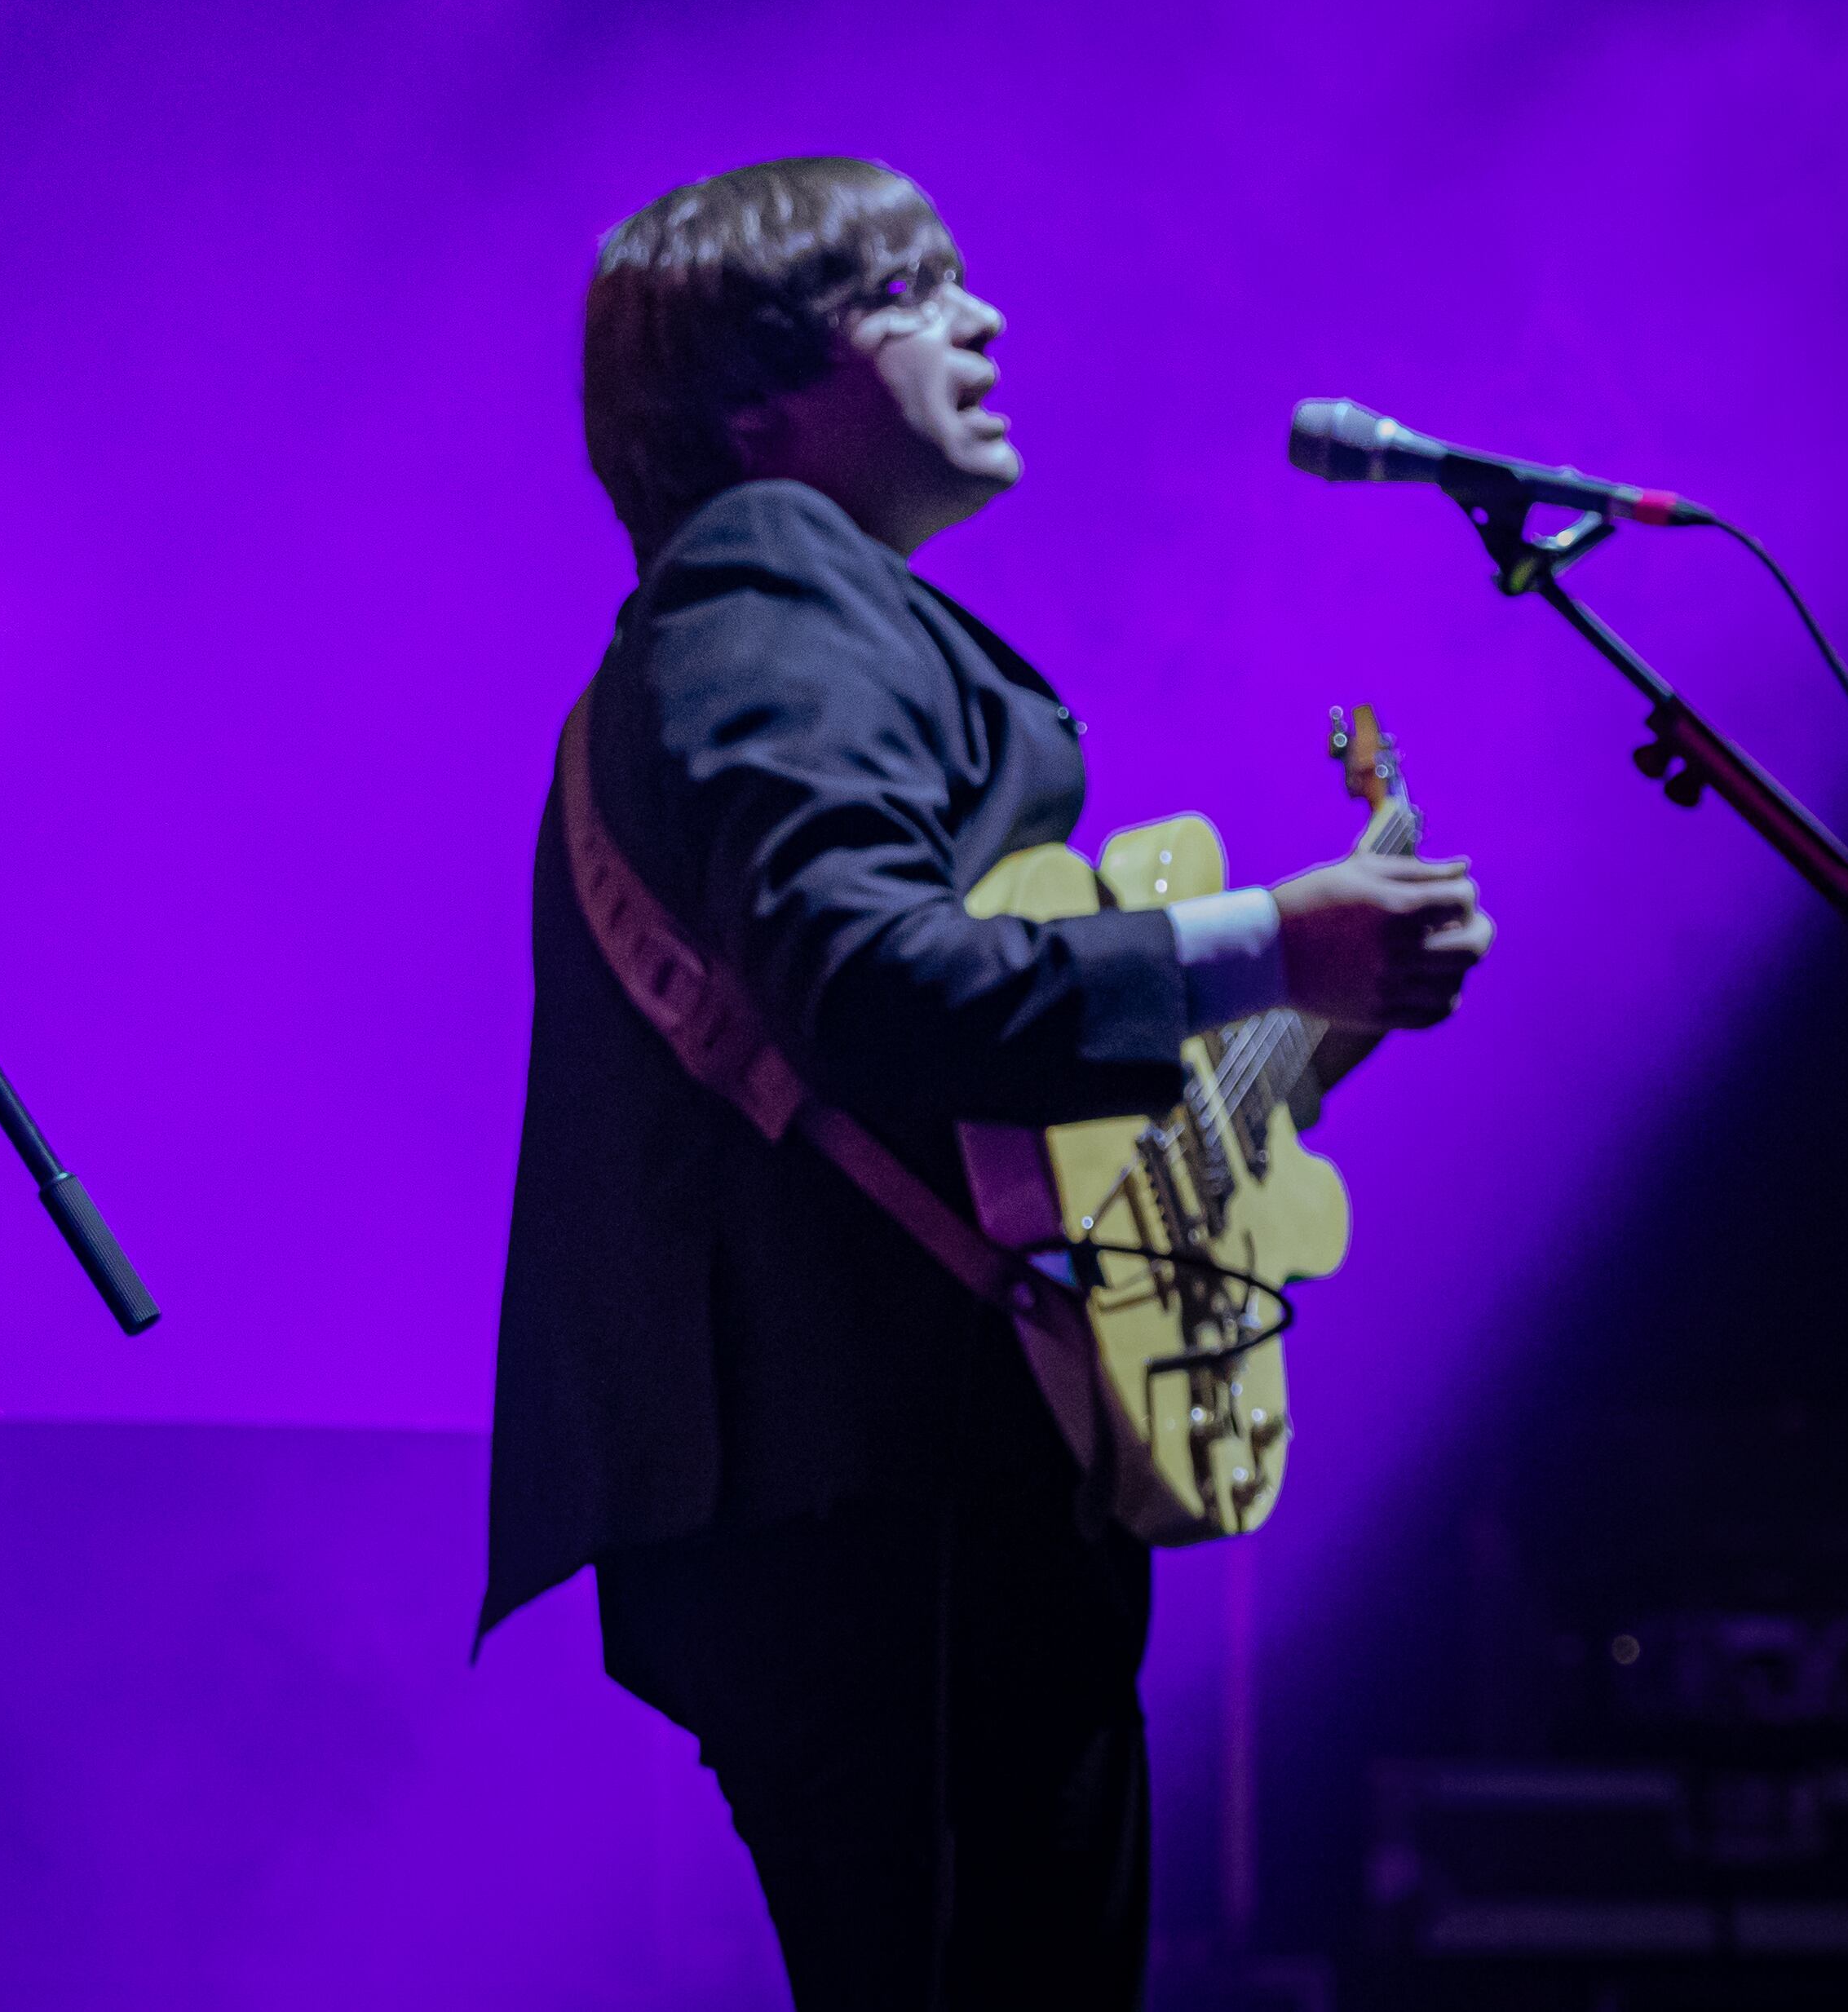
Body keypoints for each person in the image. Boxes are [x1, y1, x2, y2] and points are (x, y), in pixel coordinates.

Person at [480, 157, 1492, 2008]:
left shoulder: (760, 621)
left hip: (865, 1480)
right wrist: (1273, 941)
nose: (984, 317)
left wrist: (1293, 1027)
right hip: (881, 1476)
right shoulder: (766, 583)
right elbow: (872, 985)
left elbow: (939, 1075)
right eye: (911, 290)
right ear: (750, 400)